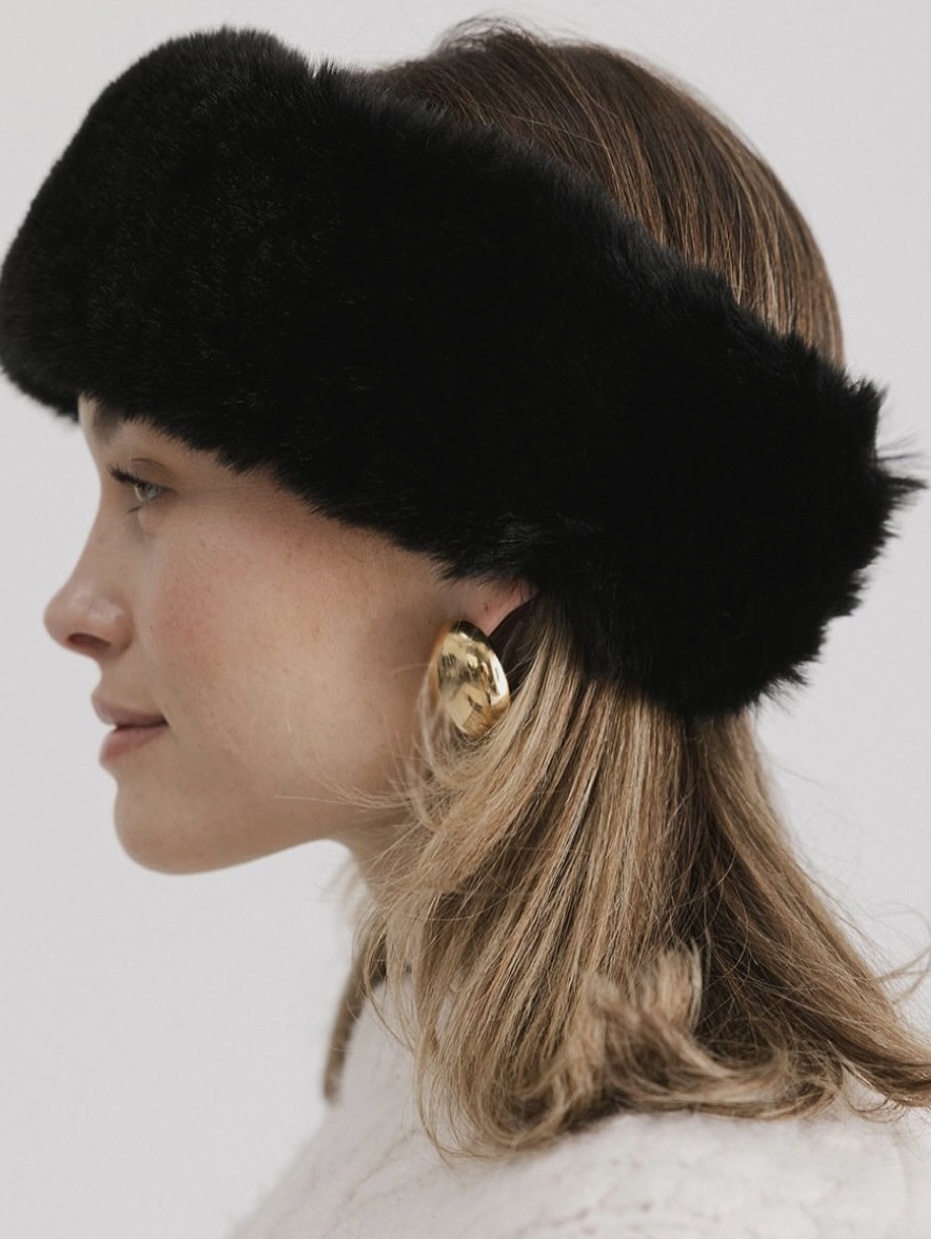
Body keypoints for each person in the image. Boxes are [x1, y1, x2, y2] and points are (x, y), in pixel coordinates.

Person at [1, 14, 930, 1237]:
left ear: (492, 543)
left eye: (145, 487)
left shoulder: (660, 1217)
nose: (72, 608)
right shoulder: (427, 1109)